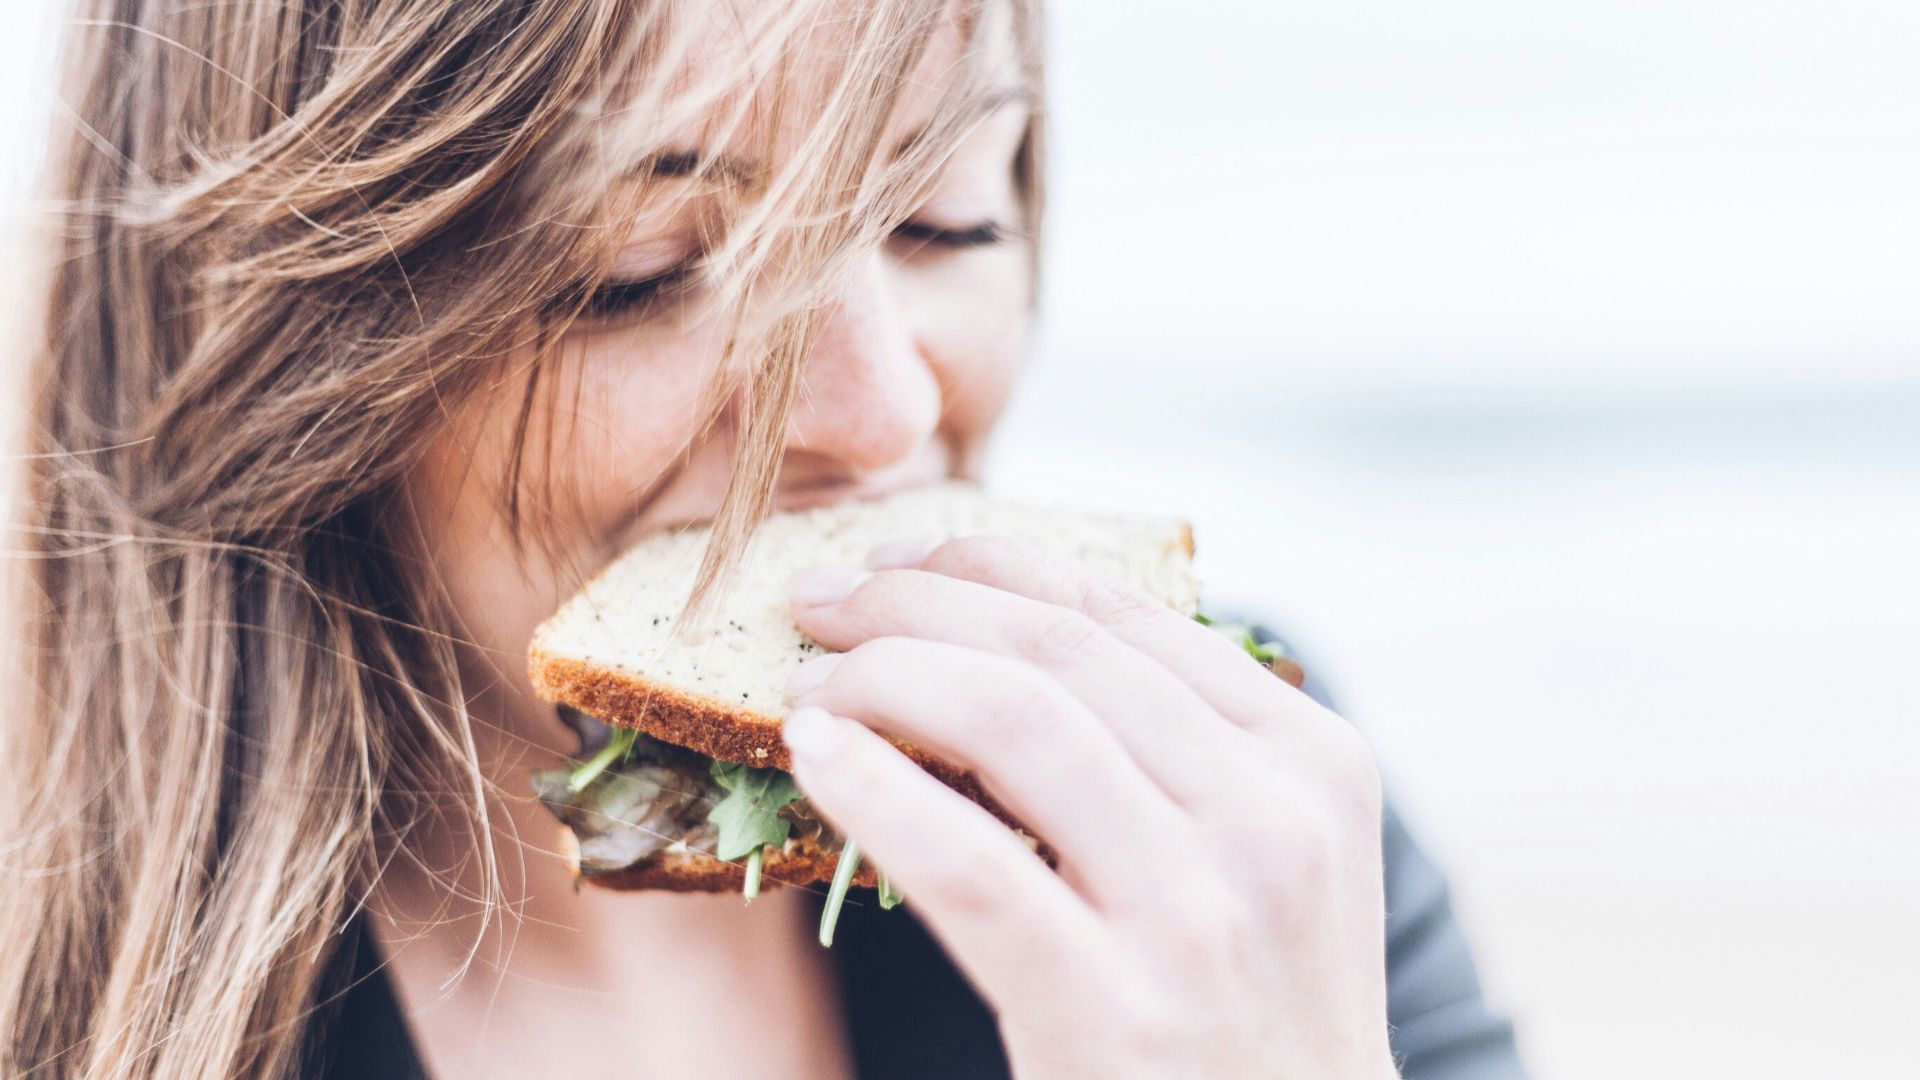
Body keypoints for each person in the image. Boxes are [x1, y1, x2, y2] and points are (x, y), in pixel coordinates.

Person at [0, 1, 1527, 1077]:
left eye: (946, 222)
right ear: (284, 348)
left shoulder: (1231, 829)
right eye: (640, 269)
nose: (878, 409)